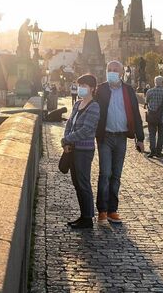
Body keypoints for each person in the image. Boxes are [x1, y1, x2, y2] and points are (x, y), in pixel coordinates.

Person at [95, 60, 145, 224]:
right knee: (105, 173)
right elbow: (94, 111)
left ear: (122, 73)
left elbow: (136, 115)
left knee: (116, 175)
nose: (112, 72)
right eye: (110, 69)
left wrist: (140, 138)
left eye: (116, 70)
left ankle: (112, 210)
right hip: (105, 136)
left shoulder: (128, 90)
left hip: (122, 136)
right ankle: (102, 210)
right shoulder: (101, 89)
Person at [62, 74, 100, 229]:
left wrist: (68, 139)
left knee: (83, 183)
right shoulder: (78, 104)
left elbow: (87, 129)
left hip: (84, 150)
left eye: (84, 85)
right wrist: (66, 140)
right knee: (77, 183)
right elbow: (70, 123)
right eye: (80, 85)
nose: (81, 88)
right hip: (72, 149)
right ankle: (83, 215)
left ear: (92, 88)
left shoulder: (94, 106)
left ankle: (88, 218)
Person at [146, 76, 163, 158]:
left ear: (155, 82)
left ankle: (152, 151)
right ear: (162, 82)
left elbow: (146, 101)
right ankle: (159, 152)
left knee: (152, 135)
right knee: (161, 135)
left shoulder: (149, 91)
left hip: (151, 117)